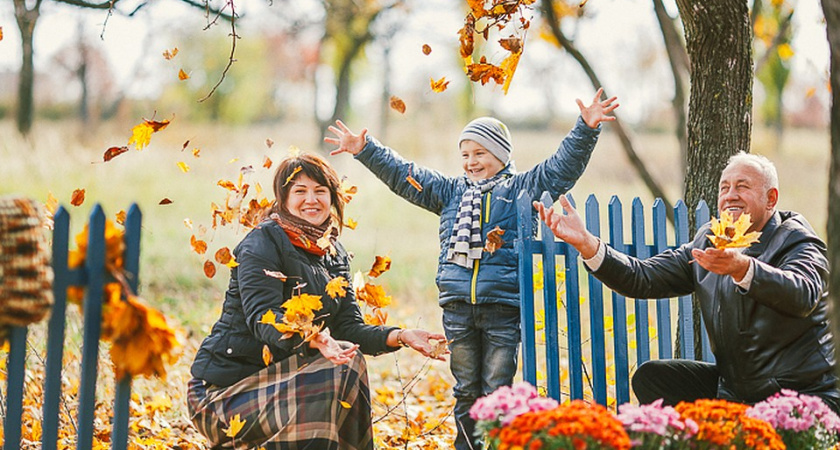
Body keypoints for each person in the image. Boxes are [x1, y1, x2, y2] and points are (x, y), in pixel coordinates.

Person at [325, 89, 618, 449]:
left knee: (497, 387)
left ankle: (496, 444)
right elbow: (407, 176)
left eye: (480, 153)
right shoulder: (450, 192)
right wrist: (366, 150)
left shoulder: (522, 189)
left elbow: (561, 167)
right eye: (465, 154)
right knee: (465, 388)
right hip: (458, 307)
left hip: (502, 308)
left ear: (500, 155)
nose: (471, 162)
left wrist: (585, 129)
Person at [534, 151, 840, 413]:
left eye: (742, 186)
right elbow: (642, 278)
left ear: (770, 198)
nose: (730, 195)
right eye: (724, 187)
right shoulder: (710, 240)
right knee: (652, 377)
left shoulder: (797, 240)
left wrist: (744, 268)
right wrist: (587, 243)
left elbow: (804, 294)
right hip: (737, 395)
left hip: (803, 395)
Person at [187, 152, 447, 449]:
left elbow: (349, 329)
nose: (311, 199)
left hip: (280, 383)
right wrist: (312, 338)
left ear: (332, 198)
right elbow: (264, 317)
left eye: (320, 191)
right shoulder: (262, 242)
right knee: (333, 366)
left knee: (349, 358)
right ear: (283, 199)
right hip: (224, 393)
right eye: (300, 191)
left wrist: (400, 335)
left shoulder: (332, 253)